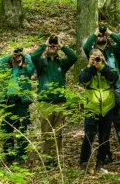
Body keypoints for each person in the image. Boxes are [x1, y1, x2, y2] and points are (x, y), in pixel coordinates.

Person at [83, 27, 120, 162]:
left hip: (115, 91)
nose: (101, 36)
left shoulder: (112, 49)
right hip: (98, 94)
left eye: (103, 35)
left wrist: (109, 32)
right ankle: (105, 154)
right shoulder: (92, 53)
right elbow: (85, 46)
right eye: (99, 35)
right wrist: (96, 32)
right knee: (103, 127)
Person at [31, 34, 78, 168]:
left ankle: (56, 158)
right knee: (46, 131)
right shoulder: (41, 64)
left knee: (58, 132)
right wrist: (44, 45)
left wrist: (62, 45)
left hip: (60, 102)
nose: (52, 47)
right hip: (45, 102)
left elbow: (74, 58)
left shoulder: (62, 63)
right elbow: (34, 57)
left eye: (54, 45)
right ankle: (46, 159)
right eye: (50, 45)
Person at [79, 49, 118, 172]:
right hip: (91, 108)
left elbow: (113, 78)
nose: (97, 58)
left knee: (104, 137)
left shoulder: (109, 69)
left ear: (104, 58)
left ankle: (100, 163)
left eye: (100, 56)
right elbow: (83, 79)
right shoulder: (86, 70)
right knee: (89, 136)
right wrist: (91, 66)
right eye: (94, 56)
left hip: (107, 108)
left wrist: (101, 66)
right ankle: (84, 162)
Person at [0, 47, 35, 164]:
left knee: (22, 128)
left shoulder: (26, 70)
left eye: (18, 56)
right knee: (7, 129)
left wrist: (25, 54)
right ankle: (9, 155)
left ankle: (21, 154)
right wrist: (10, 55)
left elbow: (33, 64)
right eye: (15, 56)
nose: (17, 57)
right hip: (7, 102)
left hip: (21, 102)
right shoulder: (6, 72)